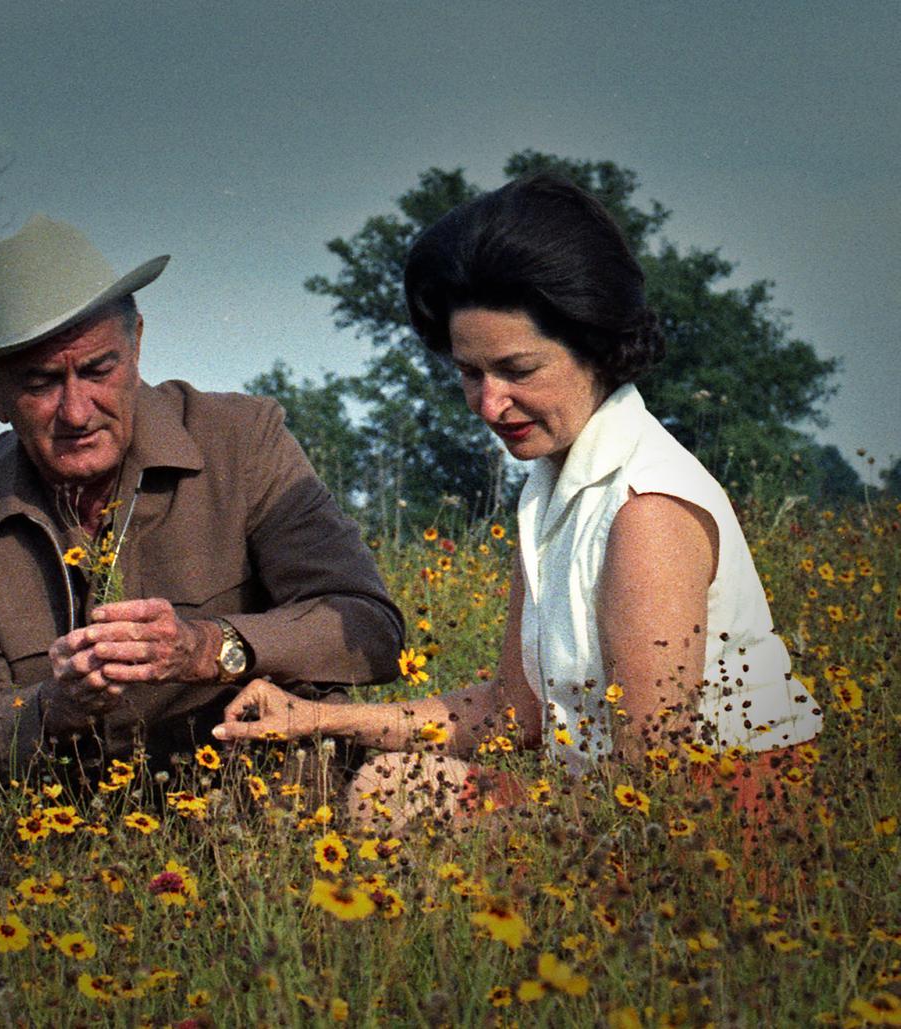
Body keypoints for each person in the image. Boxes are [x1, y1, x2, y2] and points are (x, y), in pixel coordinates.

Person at [213, 174, 823, 829]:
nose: (487, 404)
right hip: (617, 809)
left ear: (593, 342)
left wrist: (491, 821)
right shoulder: (553, 482)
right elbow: (513, 711)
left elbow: (651, 782)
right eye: (469, 373)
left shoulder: (645, 510)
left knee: (395, 794)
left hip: (715, 832)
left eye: (517, 371)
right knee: (391, 783)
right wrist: (319, 719)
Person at [0, 214, 403, 783]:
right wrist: (54, 707)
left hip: (265, 821)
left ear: (136, 343)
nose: (76, 411)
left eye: (98, 370)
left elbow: (370, 630)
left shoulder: (243, 440)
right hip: (64, 843)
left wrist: (207, 648)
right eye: (41, 383)